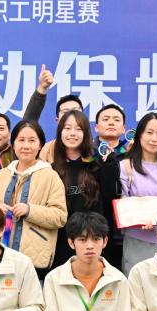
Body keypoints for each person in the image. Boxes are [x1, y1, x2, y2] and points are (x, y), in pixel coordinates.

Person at [99, 112, 157, 273]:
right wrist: (139, 218)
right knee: (137, 283)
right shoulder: (125, 166)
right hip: (136, 239)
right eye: (149, 132)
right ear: (139, 135)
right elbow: (121, 203)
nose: (154, 139)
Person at [0, 120, 68, 279]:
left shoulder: (50, 176)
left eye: (32, 140)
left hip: (34, 259)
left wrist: (30, 210)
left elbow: (60, 217)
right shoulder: (0, 176)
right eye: (21, 140)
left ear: (40, 145)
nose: (26, 146)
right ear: (13, 144)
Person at [49, 109, 102, 268]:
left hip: (92, 243)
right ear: (60, 132)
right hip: (61, 245)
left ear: (86, 134)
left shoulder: (98, 166)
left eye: (78, 129)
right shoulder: (51, 170)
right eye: (67, 128)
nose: (72, 133)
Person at [37, 95, 87, 162]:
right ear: (57, 121)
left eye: (76, 111)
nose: (71, 115)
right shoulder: (46, 151)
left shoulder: (95, 151)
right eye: (65, 112)